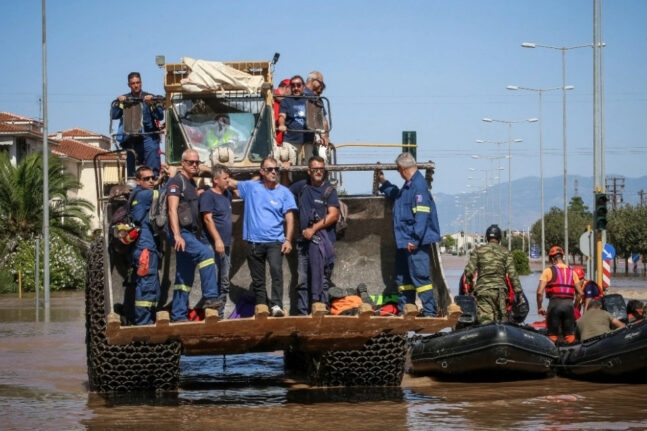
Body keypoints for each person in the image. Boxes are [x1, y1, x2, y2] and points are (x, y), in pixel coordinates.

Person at [229, 157, 296, 317]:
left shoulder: (285, 192)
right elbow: (230, 183)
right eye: (270, 169)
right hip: (254, 241)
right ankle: (261, 306)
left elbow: (290, 217)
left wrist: (288, 240)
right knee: (258, 278)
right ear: (262, 171)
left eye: (276, 169)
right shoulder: (252, 187)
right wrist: (207, 171)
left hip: (275, 241)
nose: (274, 172)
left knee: (276, 271)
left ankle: (277, 305)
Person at [378, 152, 441, 316]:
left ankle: (429, 312)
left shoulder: (419, 187)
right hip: (404, 242)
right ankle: (406, 308)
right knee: (404, 278)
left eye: (398, 170)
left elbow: (422, 215)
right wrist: (384, 183)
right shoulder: (409, 186)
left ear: (402, 168)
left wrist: (415, 239)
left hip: (413, 243)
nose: (399, 173)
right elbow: (397, 197)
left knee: (420, 277)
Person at [168, 149, 221, 322]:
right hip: (181, 233)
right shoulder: (177, 182)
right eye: (190, 162)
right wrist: (177, 235)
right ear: (182, 163)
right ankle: (211, 297)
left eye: (197, 162)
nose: (194, 165)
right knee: (206, 254)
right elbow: (172, 209)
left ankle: (178, 315)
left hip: (188, 233)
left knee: (184, 276)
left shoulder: (191, 184)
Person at [289, 156, 340, 315]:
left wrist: (313, 228)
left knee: (323, 279)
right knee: (302, 280)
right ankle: (303, 313)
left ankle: (321, 310)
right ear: (309, 170)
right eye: (316, 169)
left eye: (321, 169)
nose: (319, 172)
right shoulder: (301, 187)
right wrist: (284, 171)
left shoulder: (329, 191)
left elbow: (333, 215)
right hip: (304, 243)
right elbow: (284, 191)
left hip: (324, 244)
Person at [129, 165, 174, 324]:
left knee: (151, 285)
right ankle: (143, 324)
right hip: (145, 249)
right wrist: (173, 178)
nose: (150, 181)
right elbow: (162, 194)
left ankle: (148, 320)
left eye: (152, 178)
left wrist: (160, 179)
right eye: (146, 179)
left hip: (146, 247)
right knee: (147, 286)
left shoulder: (137, 193)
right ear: (138, 181)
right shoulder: (144, 195)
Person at [463, 224, 523, 324]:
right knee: (502, 322)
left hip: (483, 291)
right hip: (500, 292)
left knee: (485, 322)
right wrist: (519, 293)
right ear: (499, 238)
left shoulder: (478, 252)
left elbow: (469, 272)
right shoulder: (506, 253)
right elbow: (513, 274)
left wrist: (470, 290)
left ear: (487, 237)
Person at [110, 72, 164, 178]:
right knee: (132, 167)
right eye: (133, 83)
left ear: (141, 83)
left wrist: (152, 103)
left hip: (148, 136)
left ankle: (153, 182)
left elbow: (160, 116)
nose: (136, 85)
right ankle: (133, 186)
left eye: (138, 82)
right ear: (129, 85)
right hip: (132, 138)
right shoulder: (124, 99)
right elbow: (114, 115)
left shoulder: (150, 98)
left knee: (152, 158)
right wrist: (119, 103)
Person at [199, 165, 235, 317]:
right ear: (215, 179)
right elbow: (207, 219)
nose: (228, 181)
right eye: (225, 178)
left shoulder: (227, 194)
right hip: (211, 244)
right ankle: (212, 316)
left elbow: (240, 189)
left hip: (225, 244)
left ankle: (219, 315)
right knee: (213, 281)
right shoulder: (208, 196)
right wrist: (217, 240)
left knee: (224, 281)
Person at [536, 246, 584, 344]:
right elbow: (580, 293)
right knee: (570, 336)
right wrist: (574, 306)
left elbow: (539, 292)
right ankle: (571, 355)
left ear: (552, 258)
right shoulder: (572, 272)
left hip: (554, 306)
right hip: (569, 307)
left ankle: (552, 355)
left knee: (552, 336)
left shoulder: (548, 271)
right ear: (562, 257)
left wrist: (540, 307)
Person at [277, 75, 310, 165]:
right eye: (293, 85)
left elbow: (318, 116)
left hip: (308, 139)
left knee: (311, 165)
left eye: (298, 85)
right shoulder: (286, 101)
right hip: (291, 140)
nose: (296, 88)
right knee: (287, 167)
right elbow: (282, 116)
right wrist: (282, 125)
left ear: (303, 86)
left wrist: (323, 135)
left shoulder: (310, 100)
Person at [274, 79, 291, 146]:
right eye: (291, 89)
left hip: (281, 139)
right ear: (286, 88)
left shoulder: (286, 100)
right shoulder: (270, 94)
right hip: (274, 139)